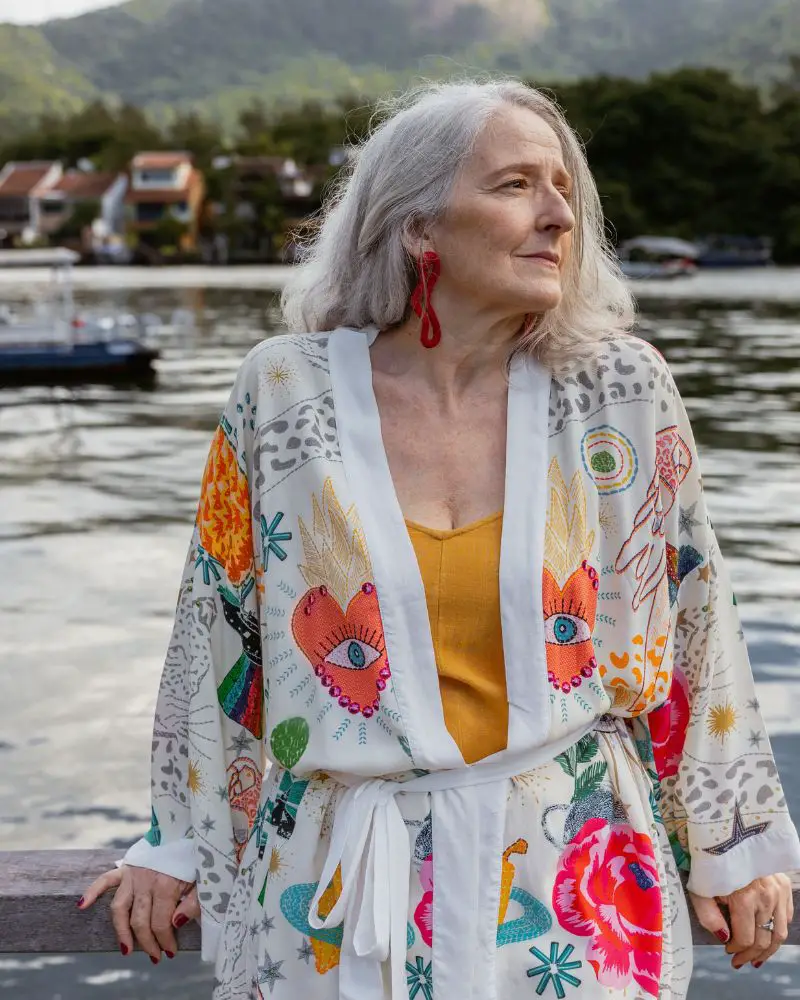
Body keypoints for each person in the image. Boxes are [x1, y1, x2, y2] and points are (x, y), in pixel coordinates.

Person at [80, 79, 800, 1000]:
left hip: (571, 898)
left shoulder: (620, 390)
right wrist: (175, 840)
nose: (556, 215)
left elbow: (699, 623)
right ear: (417, 225)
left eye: (563, 189)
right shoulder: (284, 392)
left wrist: (733, 844)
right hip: (334, 895)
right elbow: (214, 636)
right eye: (515, 186)